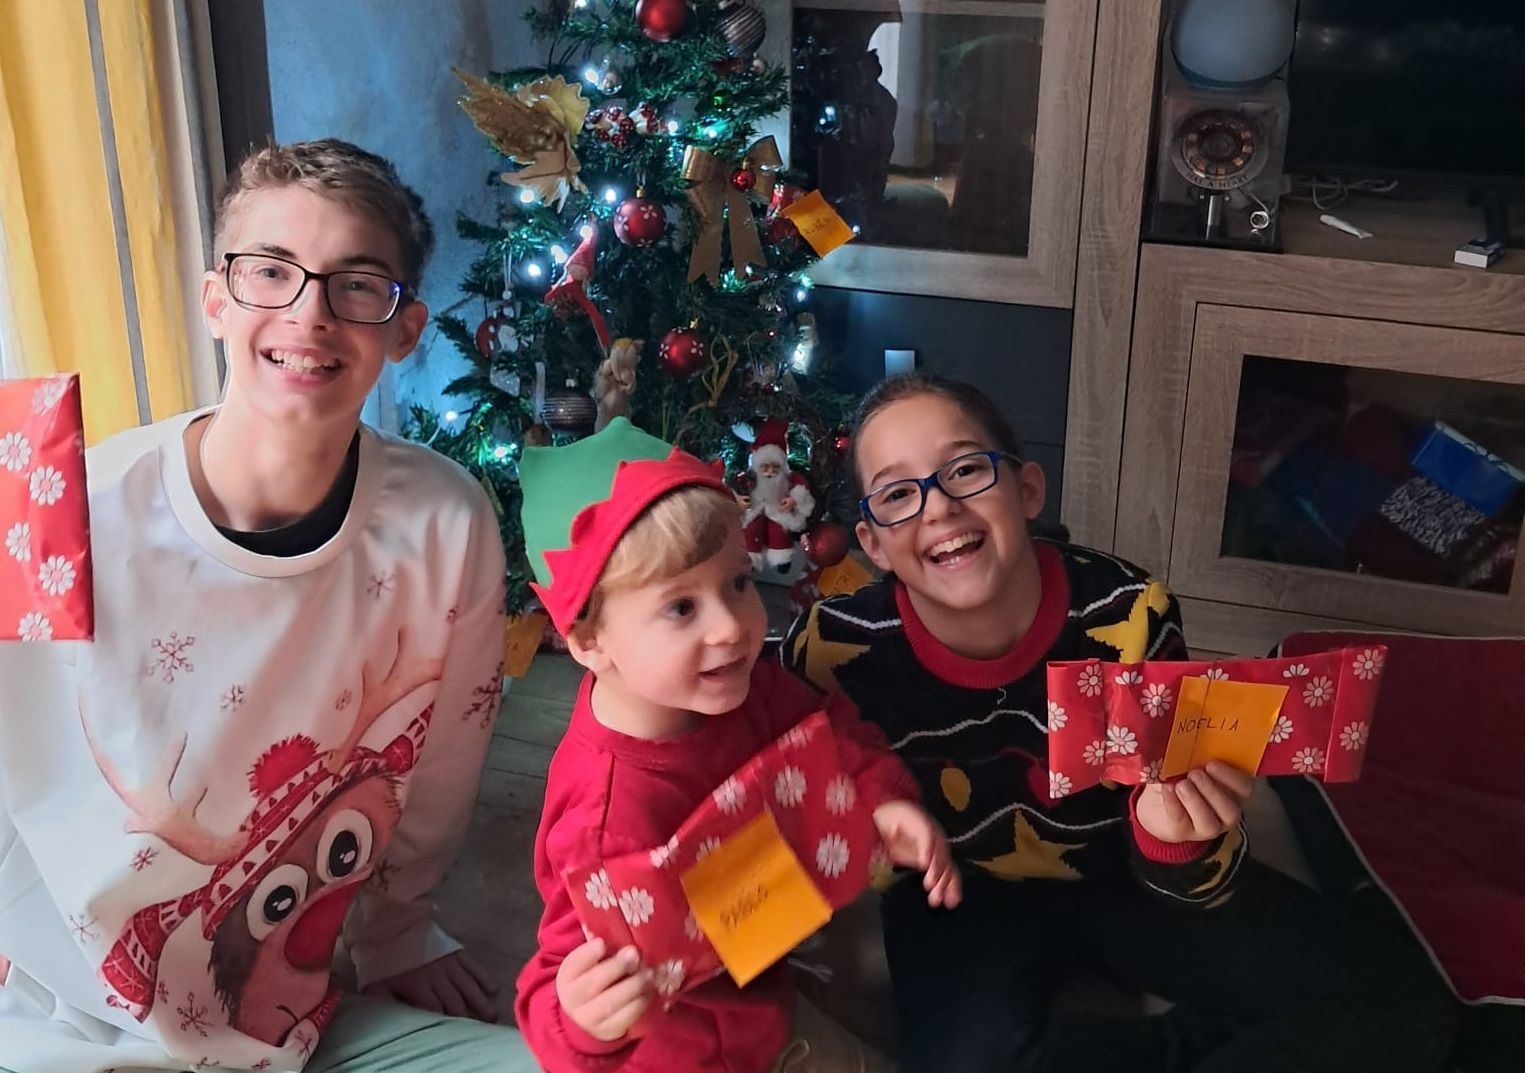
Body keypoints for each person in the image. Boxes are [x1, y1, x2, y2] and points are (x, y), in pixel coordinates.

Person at [0, 139, 535, 1072]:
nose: (310, 312)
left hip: (284, 1015)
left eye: (355, 284)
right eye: (270, 273)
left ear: (402, 328)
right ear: (216, 298)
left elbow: (444, 758)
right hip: (59, 1017)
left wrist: (399, 928)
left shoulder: (445, 521)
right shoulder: (61, 508)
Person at [784, 371, 1457, 1073]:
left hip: (1119, 870)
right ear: (871, 541)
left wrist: (1177, 843)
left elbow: (1192, 861)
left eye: (965, 469)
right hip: (953, 896)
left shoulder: (1126, 611)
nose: (939, 507)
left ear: (1027, 491)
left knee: (1401, 1002)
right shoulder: (832, 649)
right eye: (897, 493)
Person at [513, 417, 960, 1073]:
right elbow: (556, 981)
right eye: (679, 607)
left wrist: (879, 796)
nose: (731, 625)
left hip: (766, 987)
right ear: (587, 641)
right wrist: (581, 1022)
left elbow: (827, 730)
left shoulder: (738, 684)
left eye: (738, 582)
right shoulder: (600, 817)